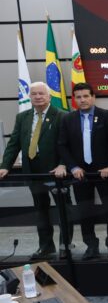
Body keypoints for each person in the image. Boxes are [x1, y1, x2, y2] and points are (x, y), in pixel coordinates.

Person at [0, 82, 70, 260]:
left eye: (41, 93)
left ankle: (65, 245)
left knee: (64, 210)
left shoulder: (62, 116)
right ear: (29, 97)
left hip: (56, 171)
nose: (38, 96)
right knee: (41, 210)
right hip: (33, 171)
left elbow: (68, 145)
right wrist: (5, 165)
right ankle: (45, 246)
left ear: (49, 96)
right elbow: (14, 143)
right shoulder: (22, 117)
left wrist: (63, 164)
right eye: (34, 94)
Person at [57, 82, 108, 260]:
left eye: (86, 96)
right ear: (74, 100)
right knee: (85, 212)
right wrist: (73, 167)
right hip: (80, 175)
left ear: (93, 97)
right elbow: (62, 146)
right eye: (78, 97)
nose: (83, 100)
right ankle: (91, 246)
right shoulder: (67, 119)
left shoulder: (107, 116)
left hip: (104, 173)